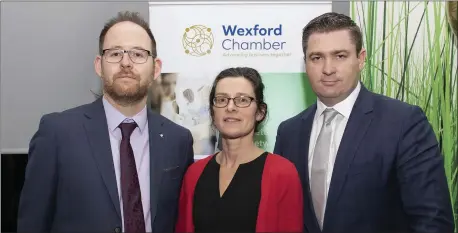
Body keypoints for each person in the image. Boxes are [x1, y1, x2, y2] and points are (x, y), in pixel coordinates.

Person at [273, 12, 455, 233]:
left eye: (340, 56)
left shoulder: (403, 123)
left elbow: (433, 220)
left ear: (361, 59)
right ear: (305, 63)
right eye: (317, 57)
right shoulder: (289, 132)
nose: (328, 69)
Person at [17, 11, 194, 233]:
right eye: (115, 53)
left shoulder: (178, 140)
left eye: (138, 54)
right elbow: (32, 224)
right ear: (99, 65)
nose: (126, 63)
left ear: (156, 68)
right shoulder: (57, 134)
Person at [175, 67, 304, 233]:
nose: (230, 107)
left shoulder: (283, 173)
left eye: (242, 100)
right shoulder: (194, 174)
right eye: (221, 100)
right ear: (213, 112)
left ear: (260, 112)